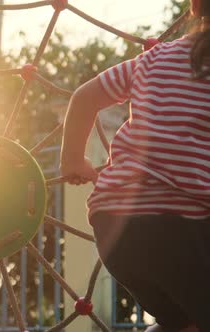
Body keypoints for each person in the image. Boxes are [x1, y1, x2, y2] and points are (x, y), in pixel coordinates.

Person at [60, 0, 210, 331]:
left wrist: (72, 160)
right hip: (184, 226)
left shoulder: (154, 59)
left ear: (196, 8)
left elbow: (84, 98)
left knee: (184, 323)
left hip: (114, 226)